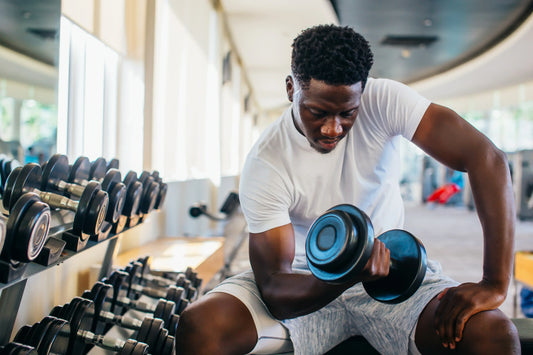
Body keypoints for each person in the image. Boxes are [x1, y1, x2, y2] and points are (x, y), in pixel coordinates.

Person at [175, 24, 520, 354]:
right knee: (202, 326)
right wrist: (347, 274)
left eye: (347, 113)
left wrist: (494, 283)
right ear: (291, 89)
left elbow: (486, 159)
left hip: (391, 274)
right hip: (302, 282)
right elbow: (276, 288)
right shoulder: (267, 162)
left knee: (494, 334)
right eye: (317, 112)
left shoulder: (386, 100)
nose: (332, 128)